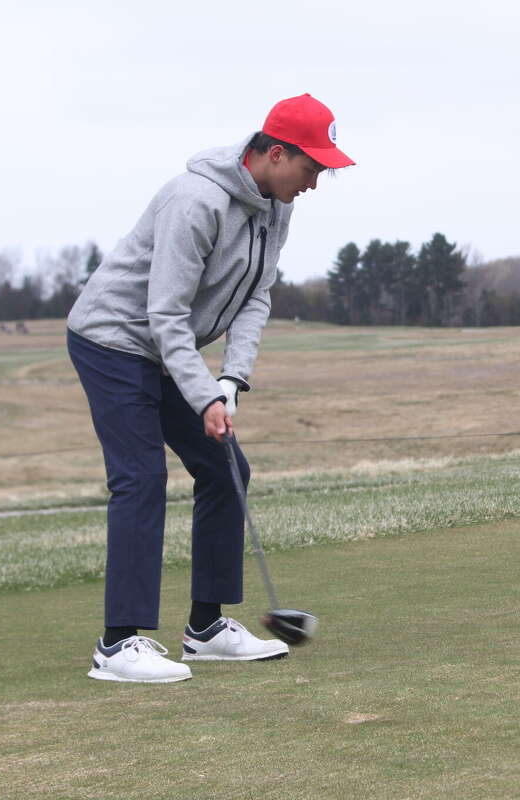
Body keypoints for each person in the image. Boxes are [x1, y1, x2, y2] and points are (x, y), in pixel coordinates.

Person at [66, 93, 354, 683]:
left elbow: (257, 295)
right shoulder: (194, 200)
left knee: (225, 469)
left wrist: (229, 380)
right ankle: (118, 645)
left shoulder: (277, 205)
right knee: (142, 477)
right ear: (276, 153)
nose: (316, 183)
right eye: (312, 168)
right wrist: (204, 395)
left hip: (169, 350)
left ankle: (206, 629)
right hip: (114, 340)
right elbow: (165, 315)